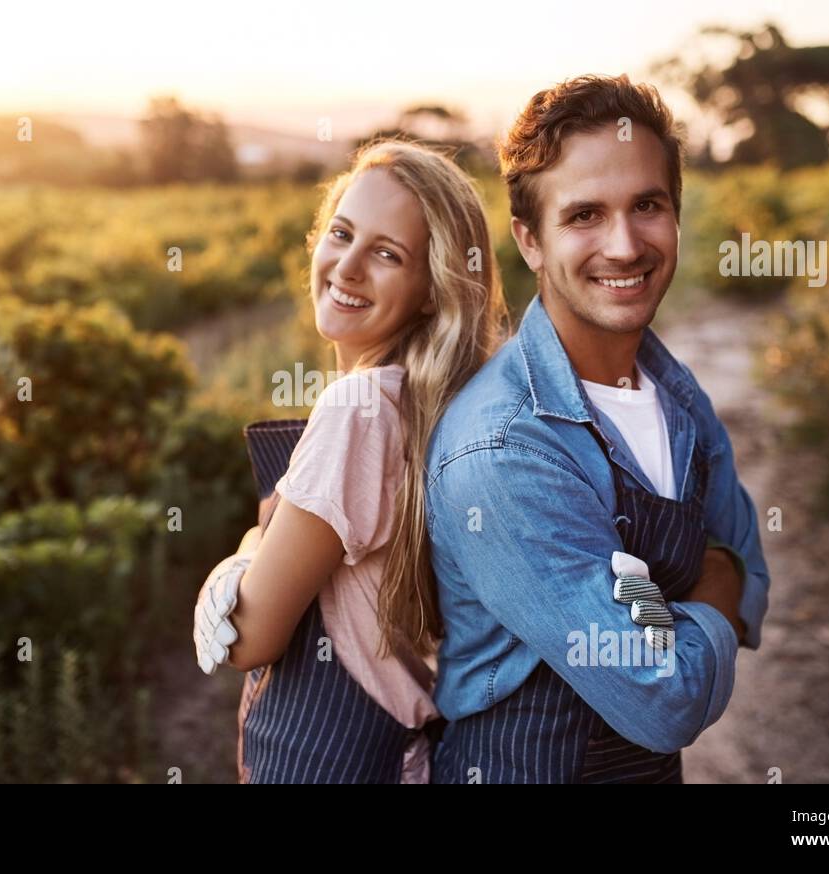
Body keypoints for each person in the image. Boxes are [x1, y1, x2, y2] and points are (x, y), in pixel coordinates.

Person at [426, 75, 771, 783]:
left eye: (647, 205)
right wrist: (713, 581)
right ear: (530, 240)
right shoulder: (502, 448)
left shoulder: (675, 392)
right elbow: (664, 699)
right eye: (584, 215)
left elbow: (753, 578)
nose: (624, 245)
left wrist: (717, 584)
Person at [193, 139, 509, 783]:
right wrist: (259, 543)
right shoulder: (429, 402)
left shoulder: (358, 409)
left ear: (432, 290)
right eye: (341, 233)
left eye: (388, 253)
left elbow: (250, 638)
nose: (348, 267)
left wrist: (235, 565)